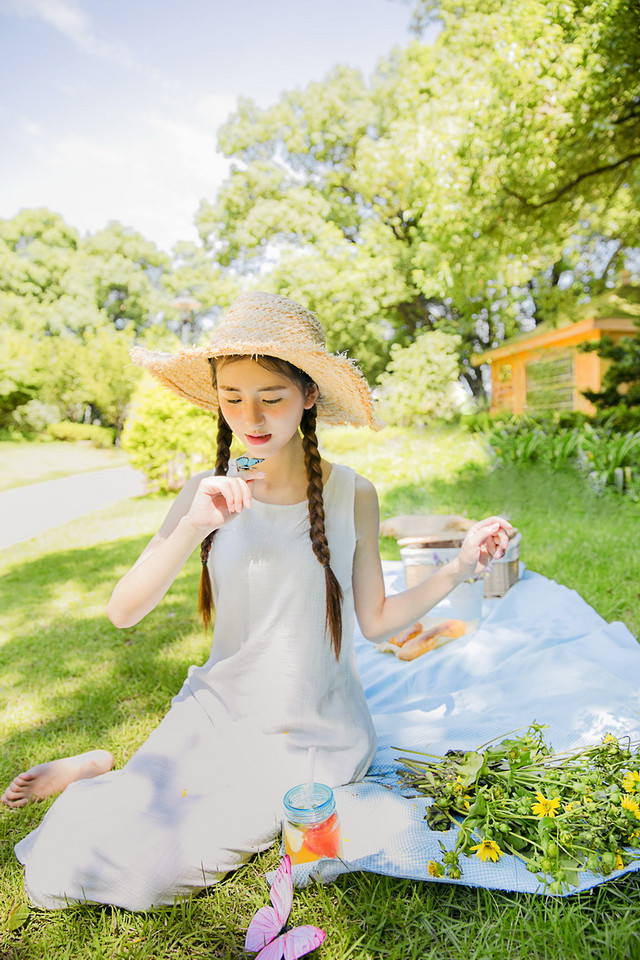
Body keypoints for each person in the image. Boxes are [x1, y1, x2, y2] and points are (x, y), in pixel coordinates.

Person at [2, 292, 512, 911]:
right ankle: (99, 773)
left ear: (309, 395)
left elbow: (377, 622)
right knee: (62, 869)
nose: (252, 416)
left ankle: (109, 779)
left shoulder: (355, 494)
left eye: (271, 398)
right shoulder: (204, 491)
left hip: (315, 733)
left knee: (146, 880)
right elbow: (123, 611)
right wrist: (192, 525)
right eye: (232, 398)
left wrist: (460, 566)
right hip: (218, 710)